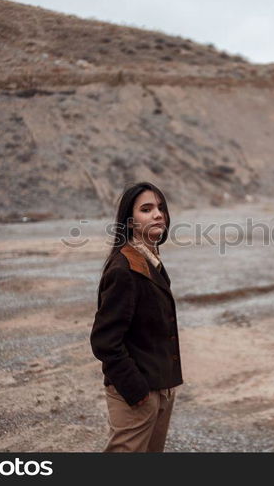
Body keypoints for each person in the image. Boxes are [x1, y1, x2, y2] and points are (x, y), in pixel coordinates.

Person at [90, 181, 182, 452]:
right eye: (146, 209)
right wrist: (138, 392)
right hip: (137, 394)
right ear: (129, 222)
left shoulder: (150, 260)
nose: (158, 214)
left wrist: (164, 389)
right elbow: (105, 342)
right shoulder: (123, 268)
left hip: (160, 387)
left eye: (160, 208)